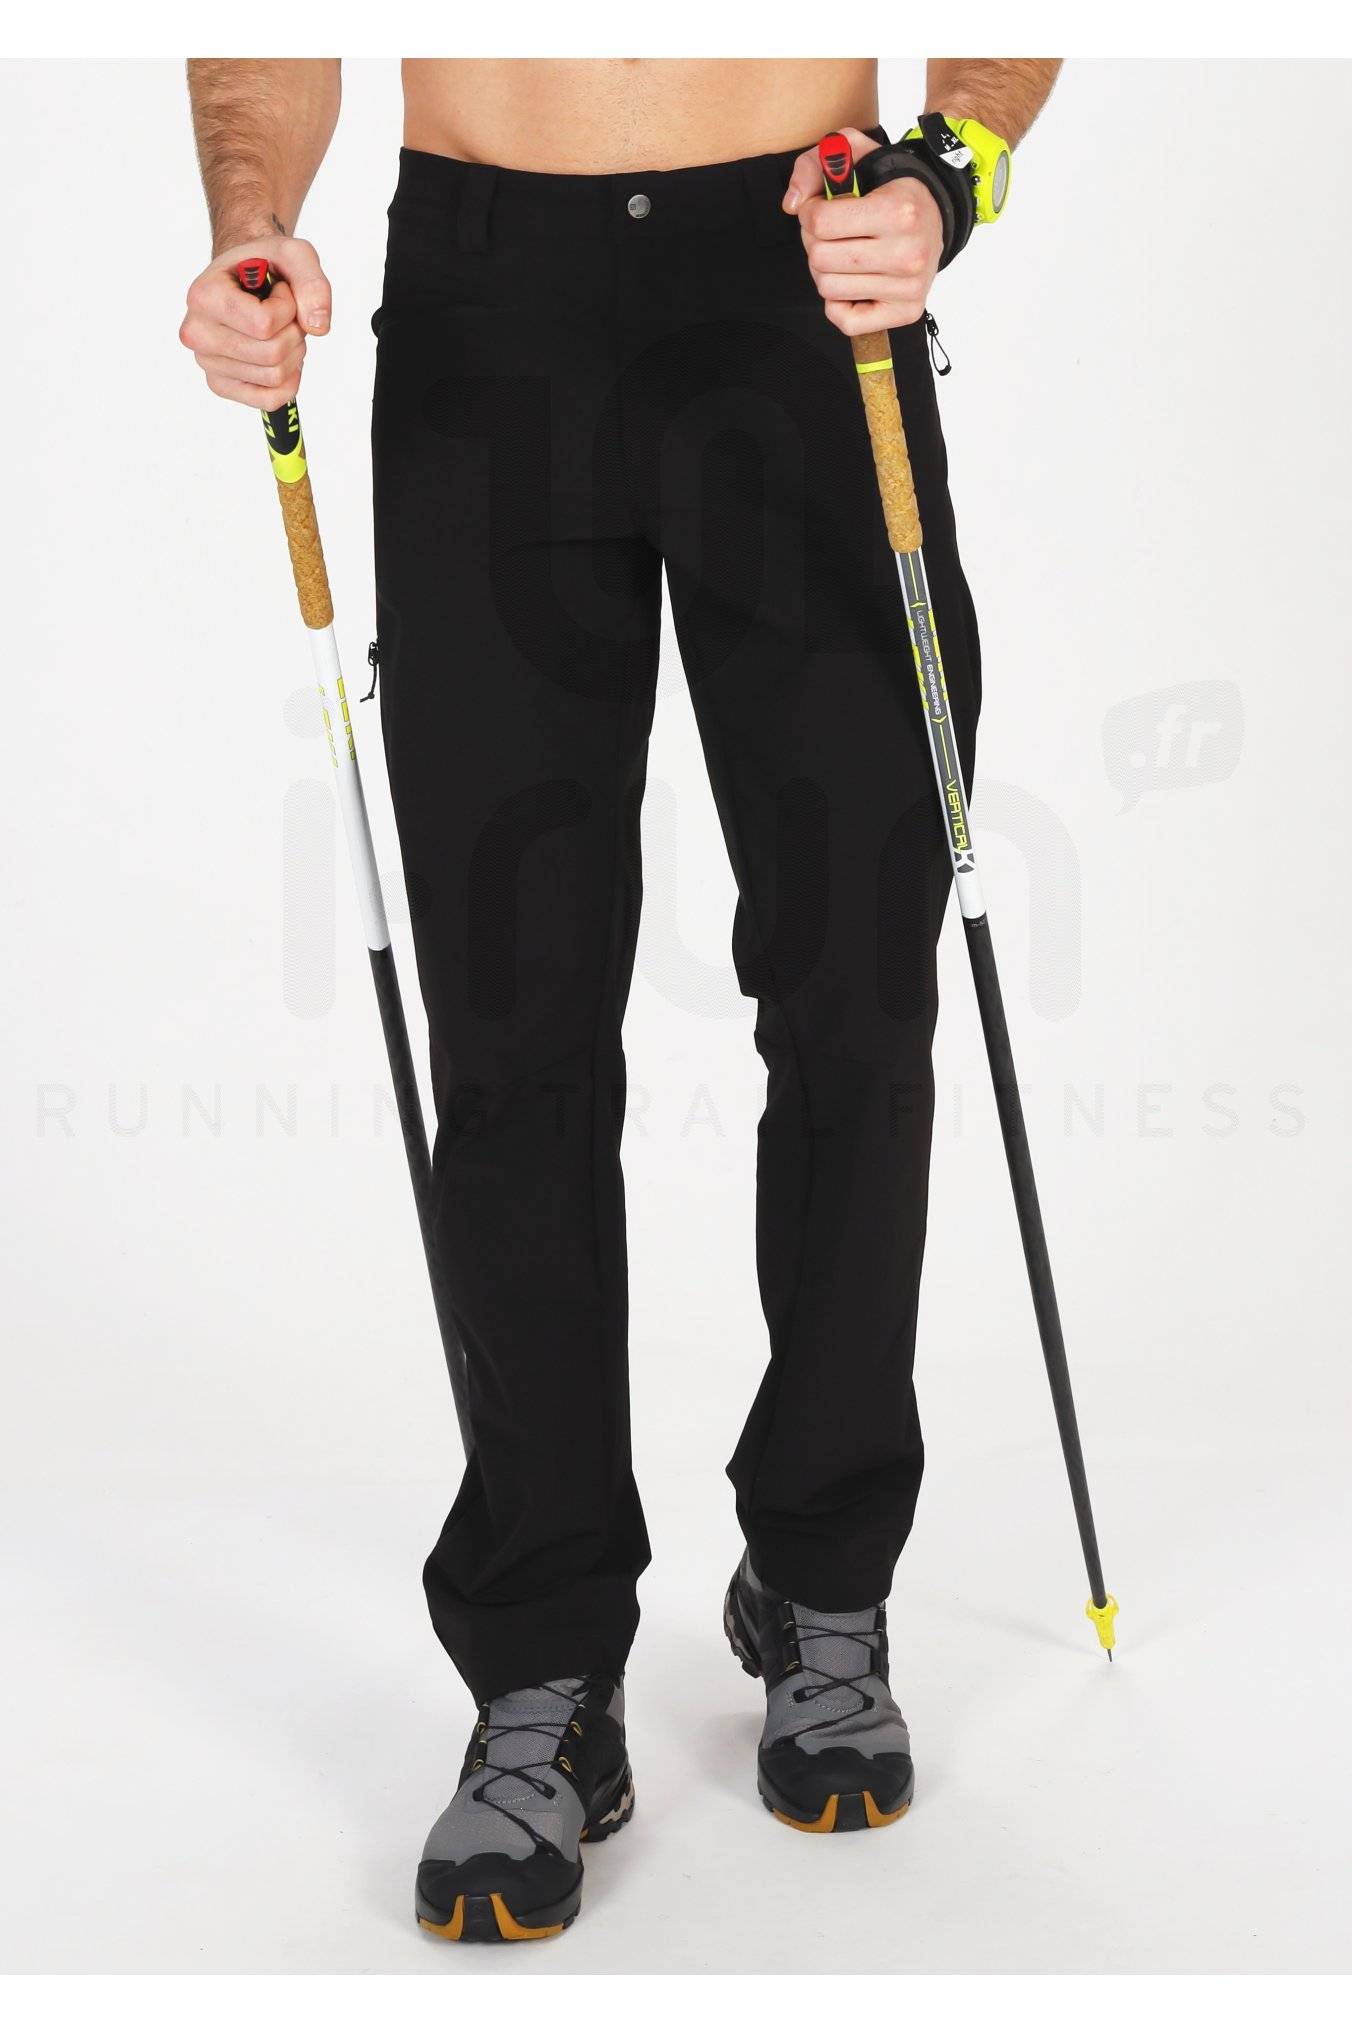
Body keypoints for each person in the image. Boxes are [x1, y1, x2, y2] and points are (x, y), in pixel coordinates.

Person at [182, 56, 1061, 1943]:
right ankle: (545, 1661)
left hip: (800, 279)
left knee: (854, 986)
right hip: (488, 307)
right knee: (512, 1029)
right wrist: (252, 220)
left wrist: (952, 172)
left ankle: (821, 1572)